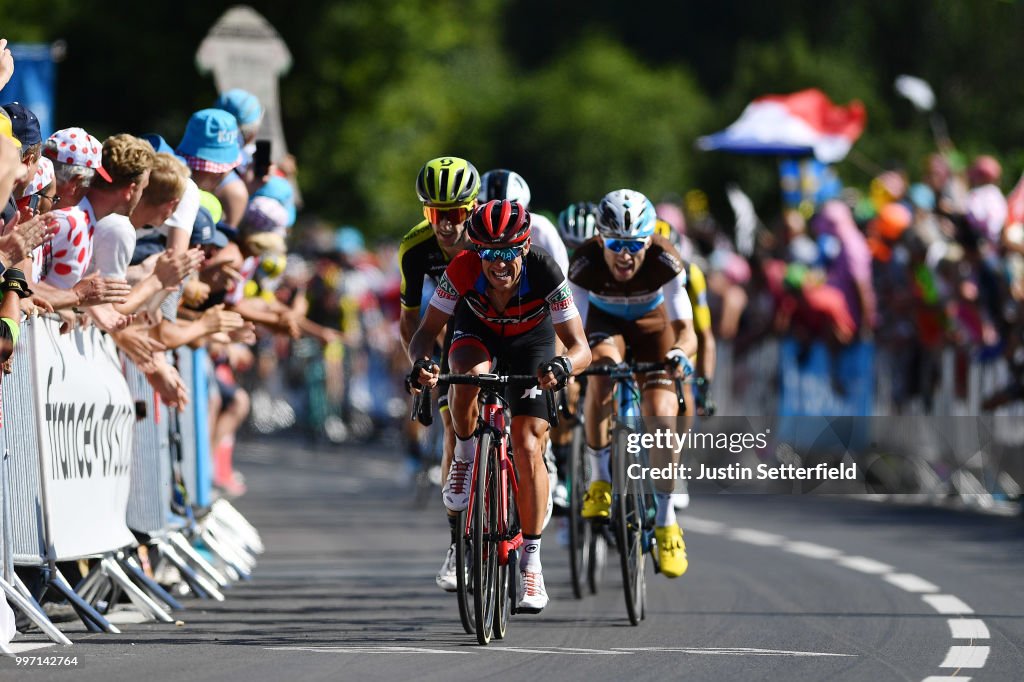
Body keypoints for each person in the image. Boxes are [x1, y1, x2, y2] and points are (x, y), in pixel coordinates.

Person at [408, 199, 591, 612]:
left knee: (527, 445)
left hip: (533, 343)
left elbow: (582, 348)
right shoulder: (463, 269)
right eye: (489, 252)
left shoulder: (545, 270)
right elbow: (426, 333)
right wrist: (421, 363)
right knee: (466, 376)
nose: (499, 263)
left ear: (525, 248)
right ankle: (467, 457)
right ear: (477, 251)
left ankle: (531, 562)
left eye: (509, 251)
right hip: (479, 333)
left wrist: (562, 367)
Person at [568, 189, 697, 578]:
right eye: (615, 245)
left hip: (652, 327)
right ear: (600, 239)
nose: (625, 255)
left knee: (660, 413)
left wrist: (679, 354)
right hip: (605, 326)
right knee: (602, 372)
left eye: (635, 245)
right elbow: (572, 330)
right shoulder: (585, 261)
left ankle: (666, 520)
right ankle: (600, 479)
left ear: (648, 239)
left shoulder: (664, 258)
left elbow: (686, 331)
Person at [397, 156, 480, 592]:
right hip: (450, 330)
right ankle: (457, 542)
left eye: (455, 214)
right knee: (452, 426)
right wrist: (420, 363)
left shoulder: (489, 240)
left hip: (498, 326)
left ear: (472, 208)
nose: (445, 225)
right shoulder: (415, 247)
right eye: (435, 214)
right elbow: (411, 319)